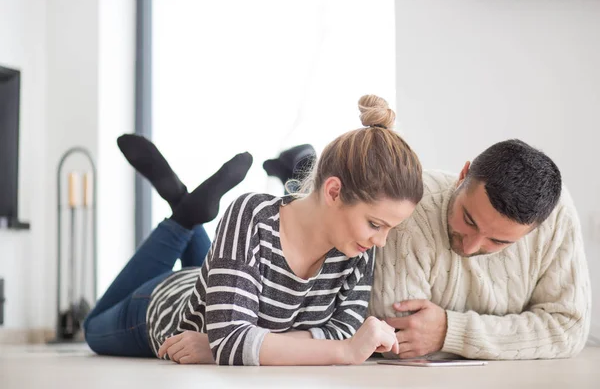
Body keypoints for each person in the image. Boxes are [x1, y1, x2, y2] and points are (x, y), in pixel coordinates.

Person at [84, 94, 424, 366]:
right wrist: (345, 352)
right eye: (375, 224)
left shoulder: (358, 249)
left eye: (390, 229)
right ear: (333, 191)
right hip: (167, 306)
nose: (381, 240)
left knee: (219, 284)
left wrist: (226, 346)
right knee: (91, 328)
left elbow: (336, 331)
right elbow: (236, 340)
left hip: (219, 288)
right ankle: (183, 219)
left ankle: (186, 209)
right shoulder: (253, 216)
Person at [368, 139, 591, 360]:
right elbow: (397, 342)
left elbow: (569, 329)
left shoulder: (557, 218)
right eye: (469, 220)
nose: (470, 246)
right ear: (463, 175)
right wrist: (519, 340)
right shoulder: (411, 202)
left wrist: (450, 332)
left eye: (499, 241)